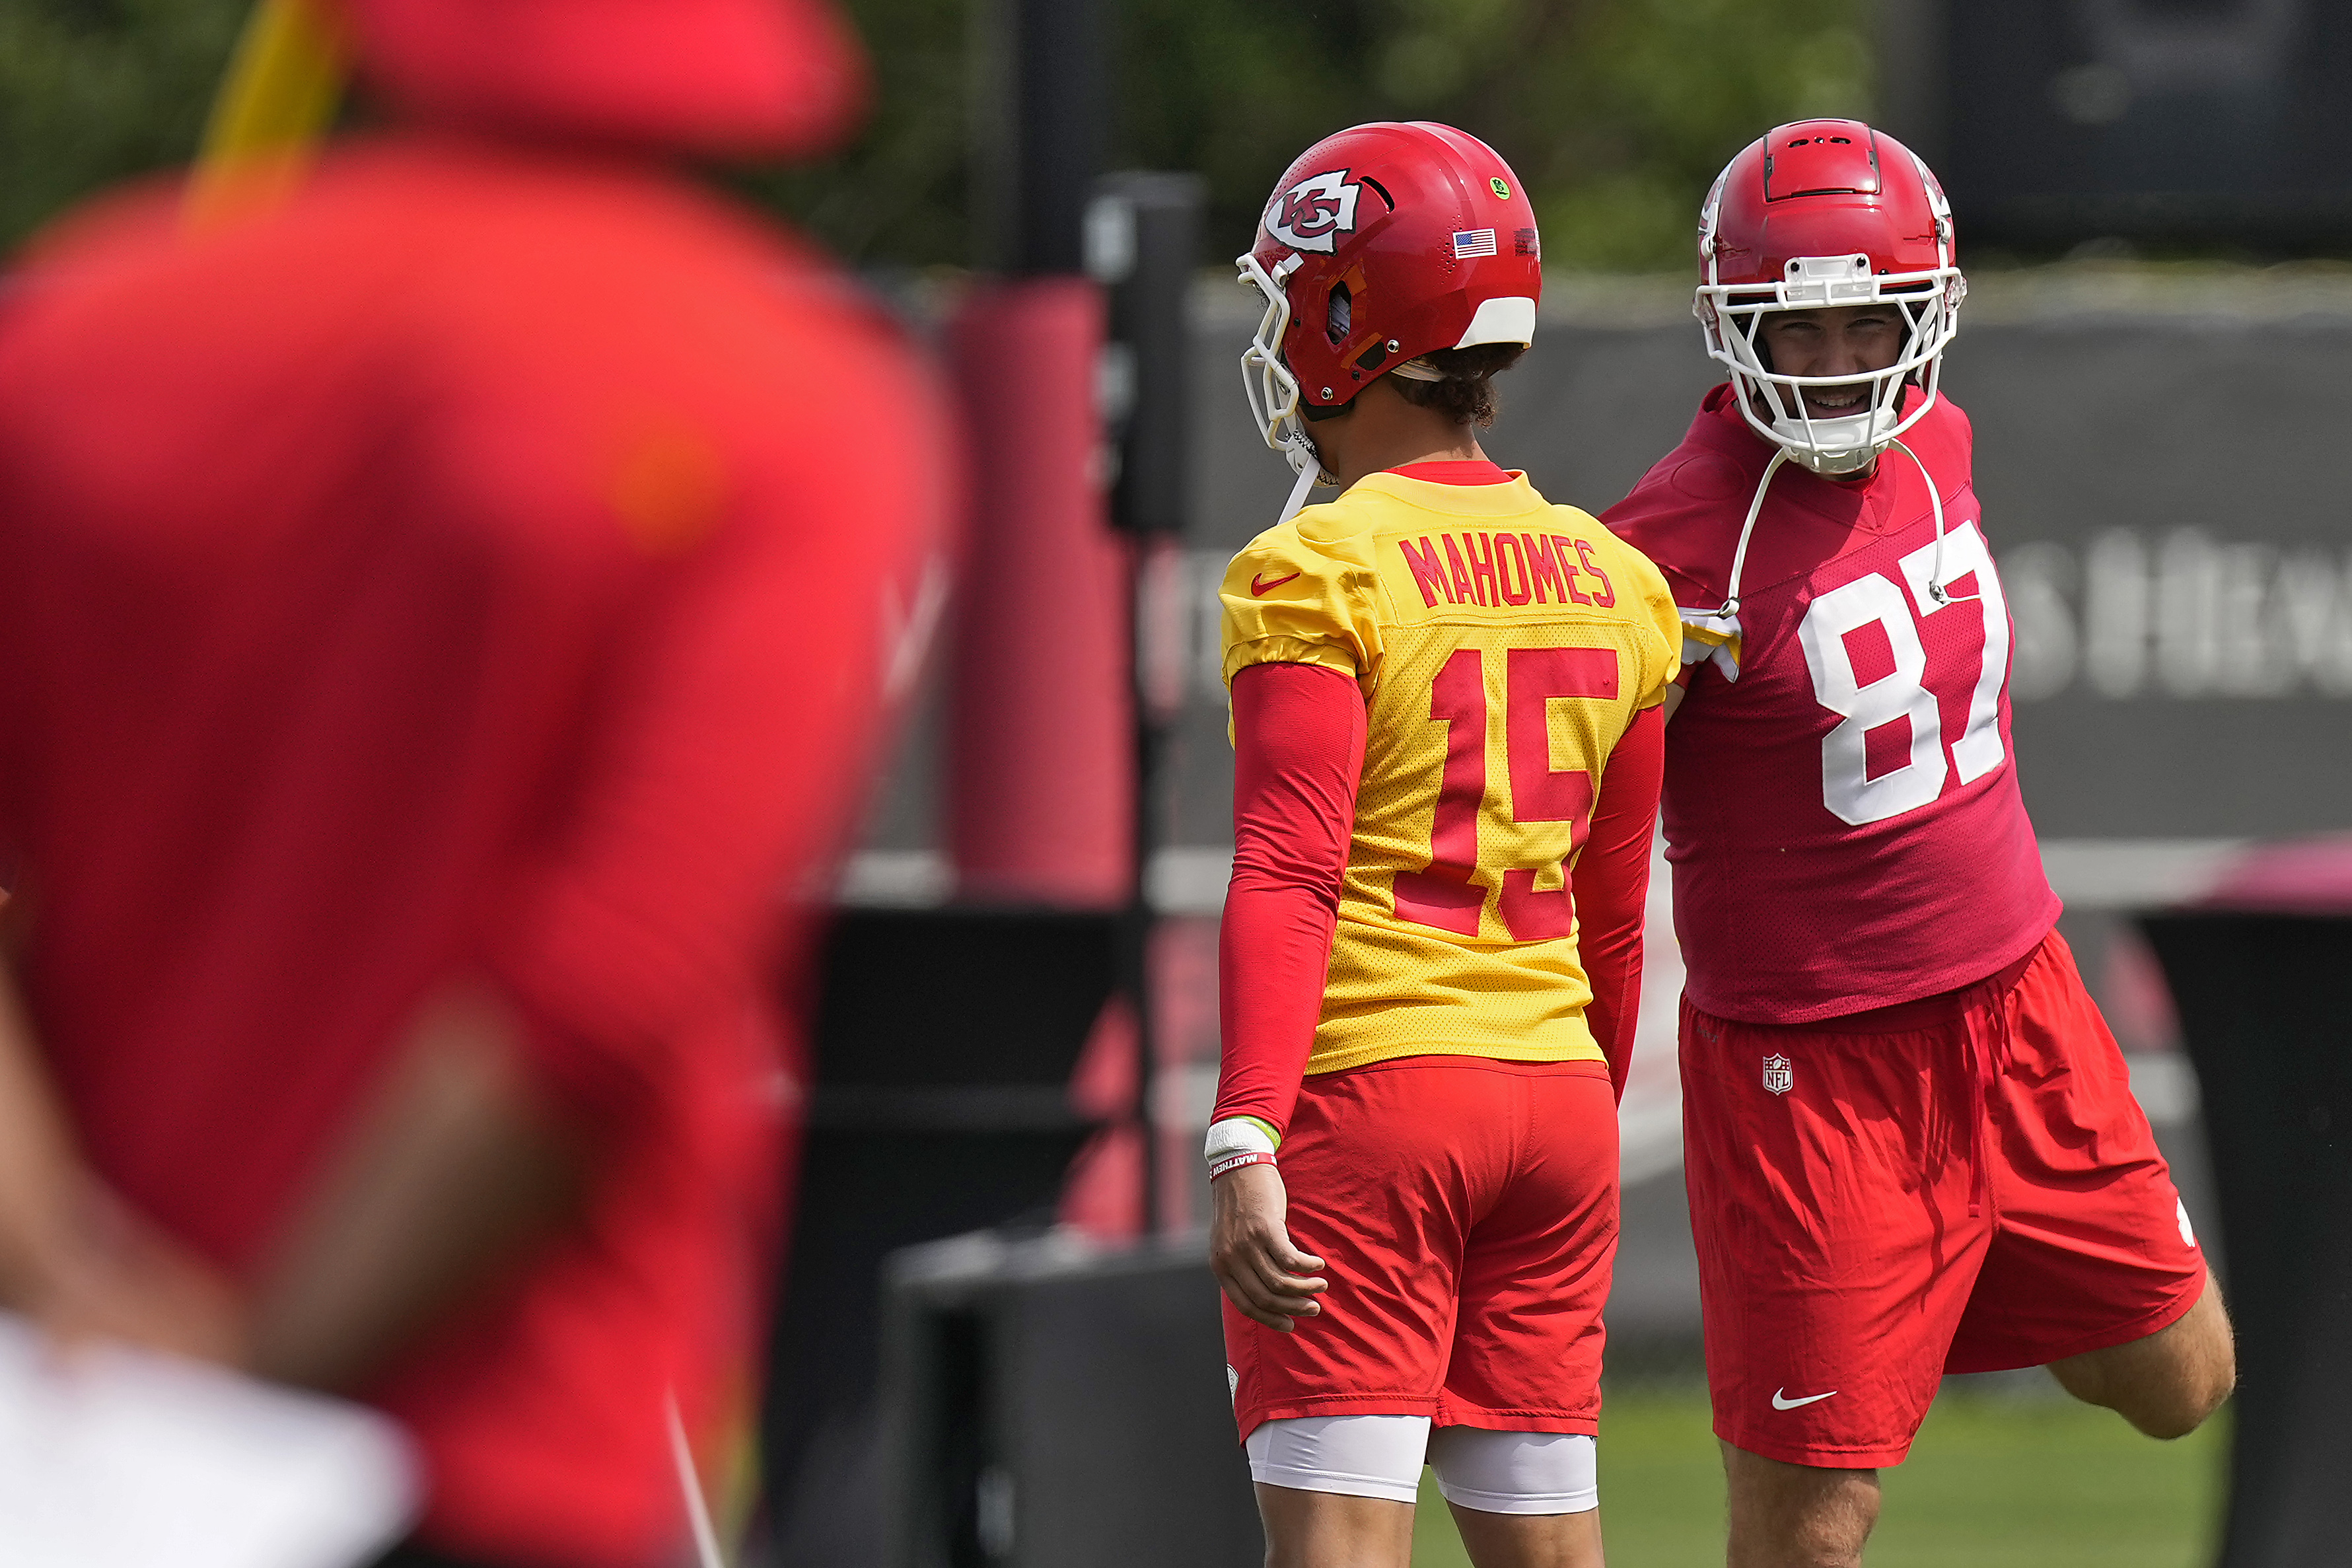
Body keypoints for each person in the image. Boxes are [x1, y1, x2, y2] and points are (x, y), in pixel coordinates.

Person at [0, 1, 952, 1565]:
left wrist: (77, 1301)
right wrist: (259, 1369)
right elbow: (606, 987)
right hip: (496, 1447)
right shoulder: (788, 407)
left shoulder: (83, 333)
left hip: (73, 1442)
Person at [1600, 118, 2236, 1568]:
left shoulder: (1937, 436)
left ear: (1925, 312)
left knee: (2180, 1377)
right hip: (1808, 1071)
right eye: (1794, 325)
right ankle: (1879, 1299)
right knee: (1810, 1531)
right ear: (1727, 326)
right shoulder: (1663, 554)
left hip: (2019, 1009)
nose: (1831, 359)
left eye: (1865, 318)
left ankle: (1961, 1277)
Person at [1206, 120, 1681, 1568]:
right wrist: (1571, 1107)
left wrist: (1243, 1133)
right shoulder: (1618, 577)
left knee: (1340, 1548)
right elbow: (1613, 915)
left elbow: (1288, 870)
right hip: (1550, 1105)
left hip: (1376, 1102)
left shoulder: (1317, 568)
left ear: (1346, 316)